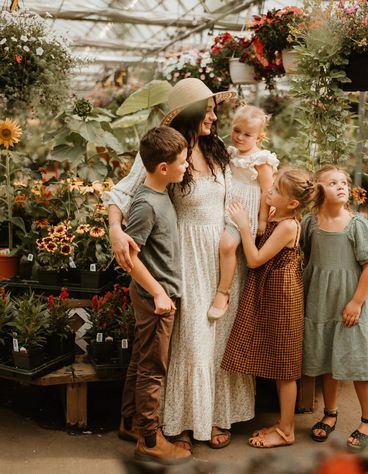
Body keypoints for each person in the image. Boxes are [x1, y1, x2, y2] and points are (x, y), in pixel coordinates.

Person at [103, 78, 255, 452]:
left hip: (220, 254)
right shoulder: (167, 148)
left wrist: (235, 234)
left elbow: (233, 197)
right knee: (191, 339)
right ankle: (184, 420)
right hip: (182, 252)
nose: (214, 116)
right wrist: (115, 229)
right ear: (190, 114)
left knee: (218, 337)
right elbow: (125, 190)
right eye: (208, 110)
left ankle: (217, 413)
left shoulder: (217, 150)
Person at [221, 169, 315, 448]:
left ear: (293, 204)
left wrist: (242, 224)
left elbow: (254, 259)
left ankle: (287, 431)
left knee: (285, 367)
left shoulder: (288, 225)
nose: (268, 193)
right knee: (277, 362)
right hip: (272, 288)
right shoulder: (277, 215)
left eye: (275, 191)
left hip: (283, 294)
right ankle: (283, 423)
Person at [300, 164, 368, 451]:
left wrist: (356, 302)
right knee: (326, 356)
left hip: (351, 302)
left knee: (358, 360)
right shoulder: (310, 223)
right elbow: (309, 256)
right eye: (333, 182)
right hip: (321, 300)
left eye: (344, 182)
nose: (341, 186)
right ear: (319, 189)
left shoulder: (357, 225)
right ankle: (330, 413)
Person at [118, 126, 191, 464]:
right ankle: (150, 439)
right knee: (153, 368)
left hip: (155, 295)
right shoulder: (146, 205)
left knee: (141, 358)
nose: (187, 167)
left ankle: (131, 421)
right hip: (155, 298)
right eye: (183, 162)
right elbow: (130, 258)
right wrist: (160, 294)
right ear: (164, 168)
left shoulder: (160, 196)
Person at [208, 105, 279, 320]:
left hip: (245, 213)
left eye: (247, 134)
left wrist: (263, 220)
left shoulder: (261, 160)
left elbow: (268, 191)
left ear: (260, 136)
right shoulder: (231, 153)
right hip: (227, 206)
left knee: (228, 244)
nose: (239, 137)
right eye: (237, 130)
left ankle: (223, 291)